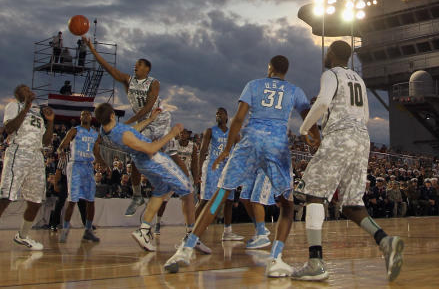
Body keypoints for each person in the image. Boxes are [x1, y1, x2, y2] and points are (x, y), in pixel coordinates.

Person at [165, 55, 318, 276]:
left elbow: (237, 120)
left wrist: (227, 149)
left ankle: (186, 249)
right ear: (286, 71)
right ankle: (275, 259)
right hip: (276, 146)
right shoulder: (295, 91)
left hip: (250, 142)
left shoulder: (253, 85)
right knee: (286, 205)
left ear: (270, 68)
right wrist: (315, 141)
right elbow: (309, 119)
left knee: (220, 194)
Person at [293, 41, 404, 282]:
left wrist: (304, 128)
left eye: (327, 52)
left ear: (331, 54)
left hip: (340, 135)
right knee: (351, 204)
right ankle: (385, 240)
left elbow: (322, 103)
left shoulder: (331, 74)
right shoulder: (358, 79)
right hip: (362, 139)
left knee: (313, 195)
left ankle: (315, 262)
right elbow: (364, 115)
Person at [83, 36, 176, 216]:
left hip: (159, 118)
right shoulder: (128, 80)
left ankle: (170, 183)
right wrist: (92, 49)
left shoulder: (153, 83)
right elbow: (108, 68)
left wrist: (128, 122)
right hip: (144, 123)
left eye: (139, 64)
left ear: (147, 69)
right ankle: (137, 194)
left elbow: (149, 106)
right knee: (135, 157)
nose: (136, 66)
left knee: (166, 154)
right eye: (135, 64)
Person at [95, 103, 199, 252]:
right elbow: (150, 148)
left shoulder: (105, 130)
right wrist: (172, 133)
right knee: (188, 191)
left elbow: (131, 131)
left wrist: (150, 119)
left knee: (161, 190)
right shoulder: (121, 135)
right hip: (153, 160)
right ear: (112, 115)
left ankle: (144, 229)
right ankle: (191, 236)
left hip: (141, 161)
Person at [0, 84, 55, 250]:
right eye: (24, 88)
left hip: (36, 155)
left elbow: (46, 141)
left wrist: (51, 122)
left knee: (36, 201)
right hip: (19, 151)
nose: (29, 90)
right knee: (6, 196)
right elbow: (9, 128)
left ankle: (22, 236)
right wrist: (26, 107)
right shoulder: (14, 105)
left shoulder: (38, 114)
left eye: (29, 88)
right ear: (18, 94)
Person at [56, 110, 108, 243]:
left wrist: (103, 163)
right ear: (80, 118)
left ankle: (88, 230)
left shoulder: (95, 134)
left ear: (91, 118)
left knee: (90, 200)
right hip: (75, 165)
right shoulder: (74, 131)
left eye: (87, 114)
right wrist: (60, 151)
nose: (84, 116)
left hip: (88, 167)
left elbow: (96, 153)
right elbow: (62, 146)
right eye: (82, 114)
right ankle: (66, 229)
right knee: (73, 200)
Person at [196, 108, 244, 242]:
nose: (218, 115)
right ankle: (190, 231)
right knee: (205, 200)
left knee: (228, 201)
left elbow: (239, 154)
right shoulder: (210, 131)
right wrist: (199, 170)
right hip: (213, 167)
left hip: (227, 169)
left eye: (221, 113)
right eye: (216, 113)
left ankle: (227, 232)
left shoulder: (234, 134)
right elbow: (203, 151)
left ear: (227, 117)